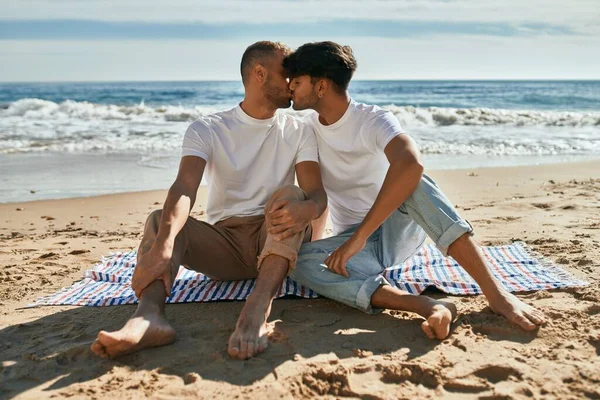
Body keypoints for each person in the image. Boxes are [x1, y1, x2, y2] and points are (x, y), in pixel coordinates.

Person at [282, 41, 546, 339]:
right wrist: (336, 243)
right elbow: (316, 193)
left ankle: (496, 293)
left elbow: (411, 163)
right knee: (296, 261)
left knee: (413, 182)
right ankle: (427, 305)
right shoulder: (307, 130)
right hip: (355, 244)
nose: (290, 87)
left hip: (395, 231)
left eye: (298, 81)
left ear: (321, 86)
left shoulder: (372, 119)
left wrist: (360, 236)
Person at [90, 41, 327, 360]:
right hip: (225, 246)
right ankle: (149, 318)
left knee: (290, 195)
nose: (294, 81)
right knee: (161, 221)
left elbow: (316, 195)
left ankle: (257, 309)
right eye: (287, 72)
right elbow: (185, 187)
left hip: (274, 240)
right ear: (259, 73)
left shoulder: (300, 130)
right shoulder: (208, 128)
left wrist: (306, 208)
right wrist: (164, 243)